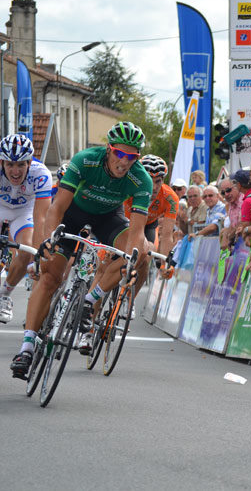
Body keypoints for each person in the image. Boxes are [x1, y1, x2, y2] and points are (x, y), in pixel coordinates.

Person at [11, 122, 152, 376]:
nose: (124, 161)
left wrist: (131, 262)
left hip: (110, 218)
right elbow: (56, 208)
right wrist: (49, 240)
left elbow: (138, 231)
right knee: (51, 276)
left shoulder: (140, 178)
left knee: (140, 253)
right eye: (119, 153)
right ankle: (27, 348)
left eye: (131, 157)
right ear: (108, 150)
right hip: (72, 214)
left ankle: (89, 300)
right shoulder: (86, 160)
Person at [0, 134, 52, 323]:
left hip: (24, 210)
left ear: (29, 162)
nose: (15, 171)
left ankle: (4, 295)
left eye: (21, 165)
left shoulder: (41, 174)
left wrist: (37, 257)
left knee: (26, 250)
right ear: (2, 162)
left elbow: (41, 218)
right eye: (10, 165)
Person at [121, 154, 178, 296]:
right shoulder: (128, 188)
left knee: (146, 259)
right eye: (148, 179)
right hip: (124, 223)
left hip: (148, 227)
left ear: (163, 180)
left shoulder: (170, 197)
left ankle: (130, 300)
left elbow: (166, 236)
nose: (153, 186)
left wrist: (165, 263)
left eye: (158, 181)